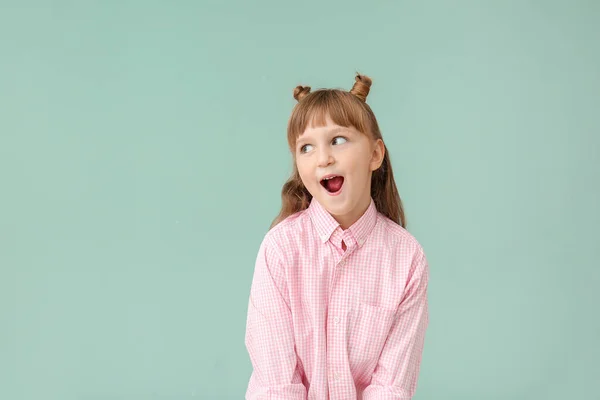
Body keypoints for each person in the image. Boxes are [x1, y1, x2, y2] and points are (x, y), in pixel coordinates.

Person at [244, 73, 430, 399]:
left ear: (375, 154)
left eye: (338, 140)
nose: (323, 158)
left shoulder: (406, 258)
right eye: (306, 147)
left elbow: (391, 388)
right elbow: (278, 384)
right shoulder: (280, 249)